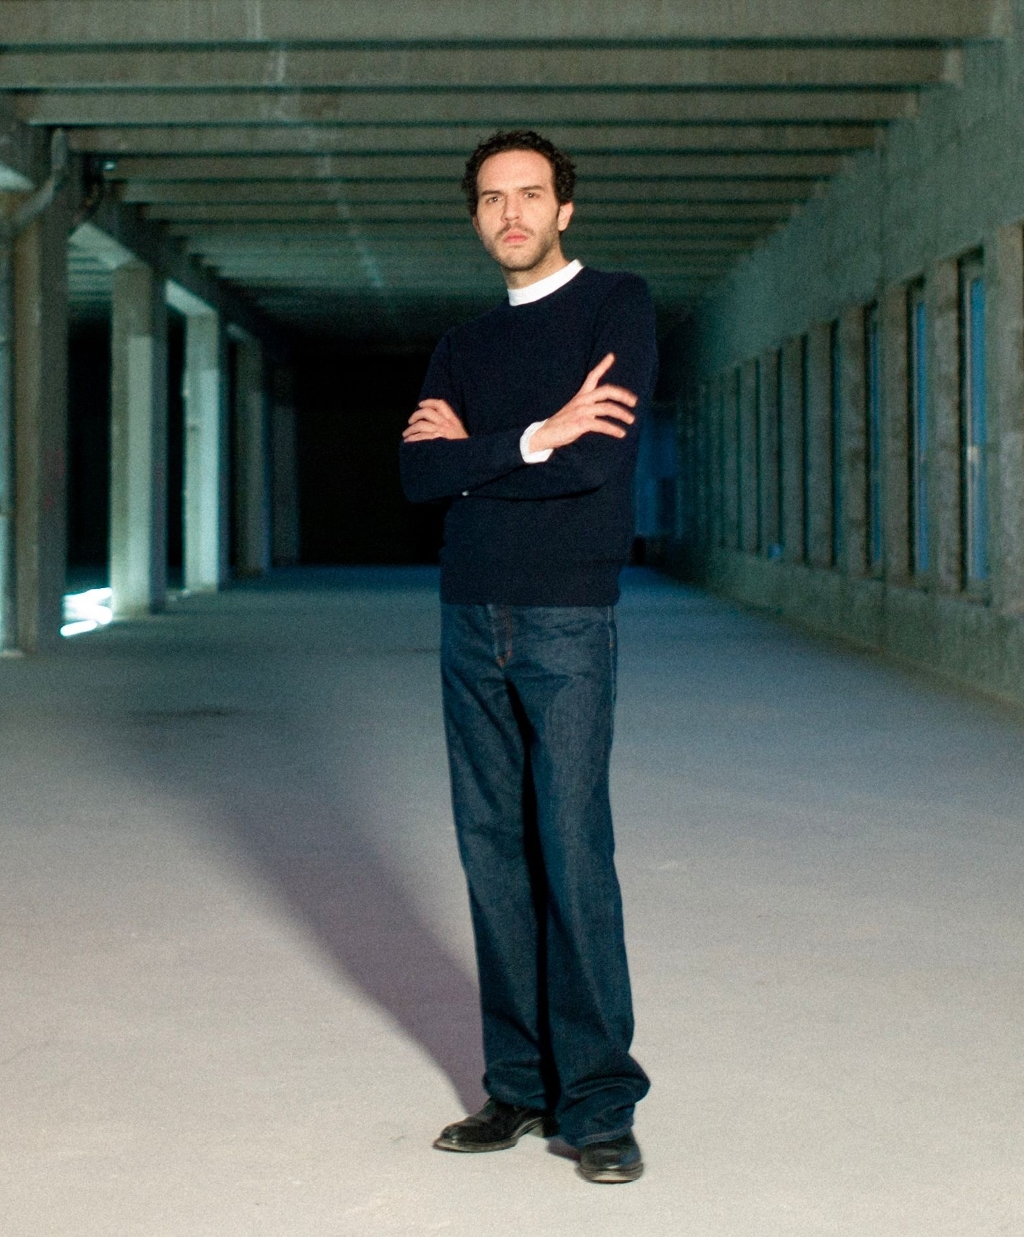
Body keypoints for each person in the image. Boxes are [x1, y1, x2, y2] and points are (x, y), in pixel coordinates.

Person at [398, 129, 655, 1185]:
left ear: (564, 209)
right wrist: (533, 436)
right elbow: (417, 479)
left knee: (572, 848)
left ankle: (598, 1102)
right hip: (469, 612)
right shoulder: (462, 343)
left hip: (566, 615)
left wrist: (479, 459)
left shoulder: (615, 306)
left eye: (531, 194)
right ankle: (517, 1084)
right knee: (491, 851)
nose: (512, 213)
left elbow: (597, 465)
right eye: (493, 198)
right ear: (476, 218)